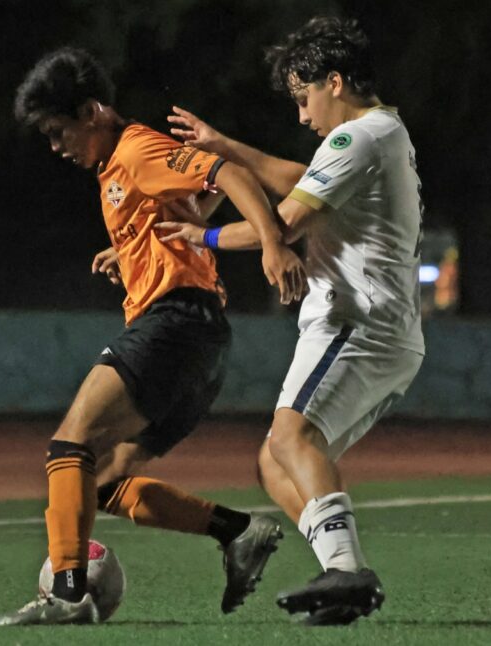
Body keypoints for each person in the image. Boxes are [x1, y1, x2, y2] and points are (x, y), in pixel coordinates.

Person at [0, 47, 306, 626]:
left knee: (70, 446)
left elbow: (226, 171)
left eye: (59, 131)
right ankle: (237, 532)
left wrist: (271, 241)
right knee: (106, 482)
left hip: (173, 324)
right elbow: (193, 200)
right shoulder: (120, 168)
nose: (56, 146)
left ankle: (66, 595)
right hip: (201, 341)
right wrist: (135, 245)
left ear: (92, 111)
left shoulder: (135, 149)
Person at [157, 16, 425, 625]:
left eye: (305, 98)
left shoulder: (356, 139)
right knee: (275, 462)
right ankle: (342, 574)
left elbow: (283, 223)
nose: (303, 116)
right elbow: (301, 180)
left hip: (357, 318)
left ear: (335, 81)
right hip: (387, 328)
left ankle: (348, 570)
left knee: (289, 439)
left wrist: (205, 236)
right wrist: (225, 146)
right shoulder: (383, 133)